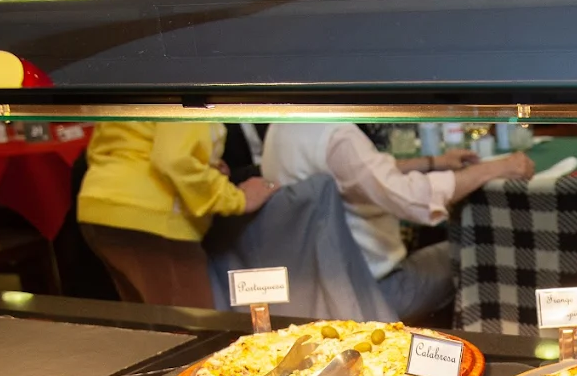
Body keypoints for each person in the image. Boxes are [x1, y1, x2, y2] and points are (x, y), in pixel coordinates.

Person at [261, 123, 534, 320]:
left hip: (308, 288)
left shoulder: (281, 125)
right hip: (370, 291)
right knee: (474, 250)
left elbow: (359, 173)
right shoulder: (336, 135)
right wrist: (496, 168)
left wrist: (433, 162)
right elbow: (412, 199)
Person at [78, 122, 277, 308]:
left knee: (153, 326)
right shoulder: (186, 94)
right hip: (153, 216)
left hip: (102, 205)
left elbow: (109, 146)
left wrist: (207, 166)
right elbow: (174, 160)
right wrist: (237, 199)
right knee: (196, 325)